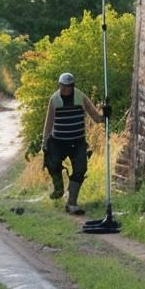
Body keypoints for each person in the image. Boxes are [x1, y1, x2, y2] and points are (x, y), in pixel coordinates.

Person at [42, 72, 109, 215]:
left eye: (68, 86)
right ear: (59, 85)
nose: (65, 89)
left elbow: (97, 118)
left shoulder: (81, 98)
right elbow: (49, 123)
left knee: (80, 169)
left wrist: (106, 114)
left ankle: (71, 203)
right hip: (57, 142)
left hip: (77, 142)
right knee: (53, 165)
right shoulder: (54, 99)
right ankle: (59, 189)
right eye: (63, 86)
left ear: (73, 86)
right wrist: (45, 143)